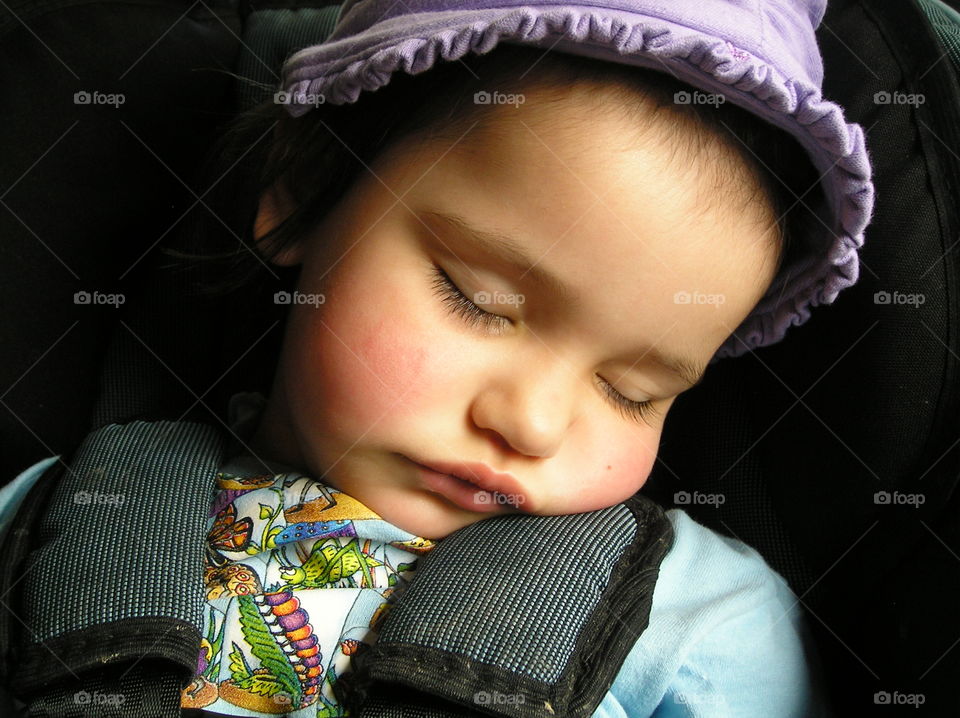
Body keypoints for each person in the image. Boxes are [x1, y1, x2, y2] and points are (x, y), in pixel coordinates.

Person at [0, 1, 874, 716]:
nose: (531, 424)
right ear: (305, 187)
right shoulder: (59, 517)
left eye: (632, 391)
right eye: (474, 301)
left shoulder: (695, 621)